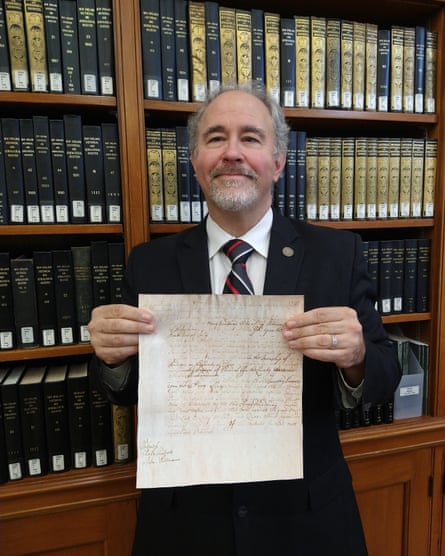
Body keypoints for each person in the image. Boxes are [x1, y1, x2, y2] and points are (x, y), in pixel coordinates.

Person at [88, 84, 401, 556]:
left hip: (307, 520)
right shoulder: (148, 264)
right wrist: (110, 359)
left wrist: (356, 357)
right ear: (195, 161)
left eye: (250, 138)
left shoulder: (337, 254)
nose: (232, 152)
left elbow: (385, 374)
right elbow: (125, 389)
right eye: (216, 138)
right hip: (185, 526)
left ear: (277, 162)